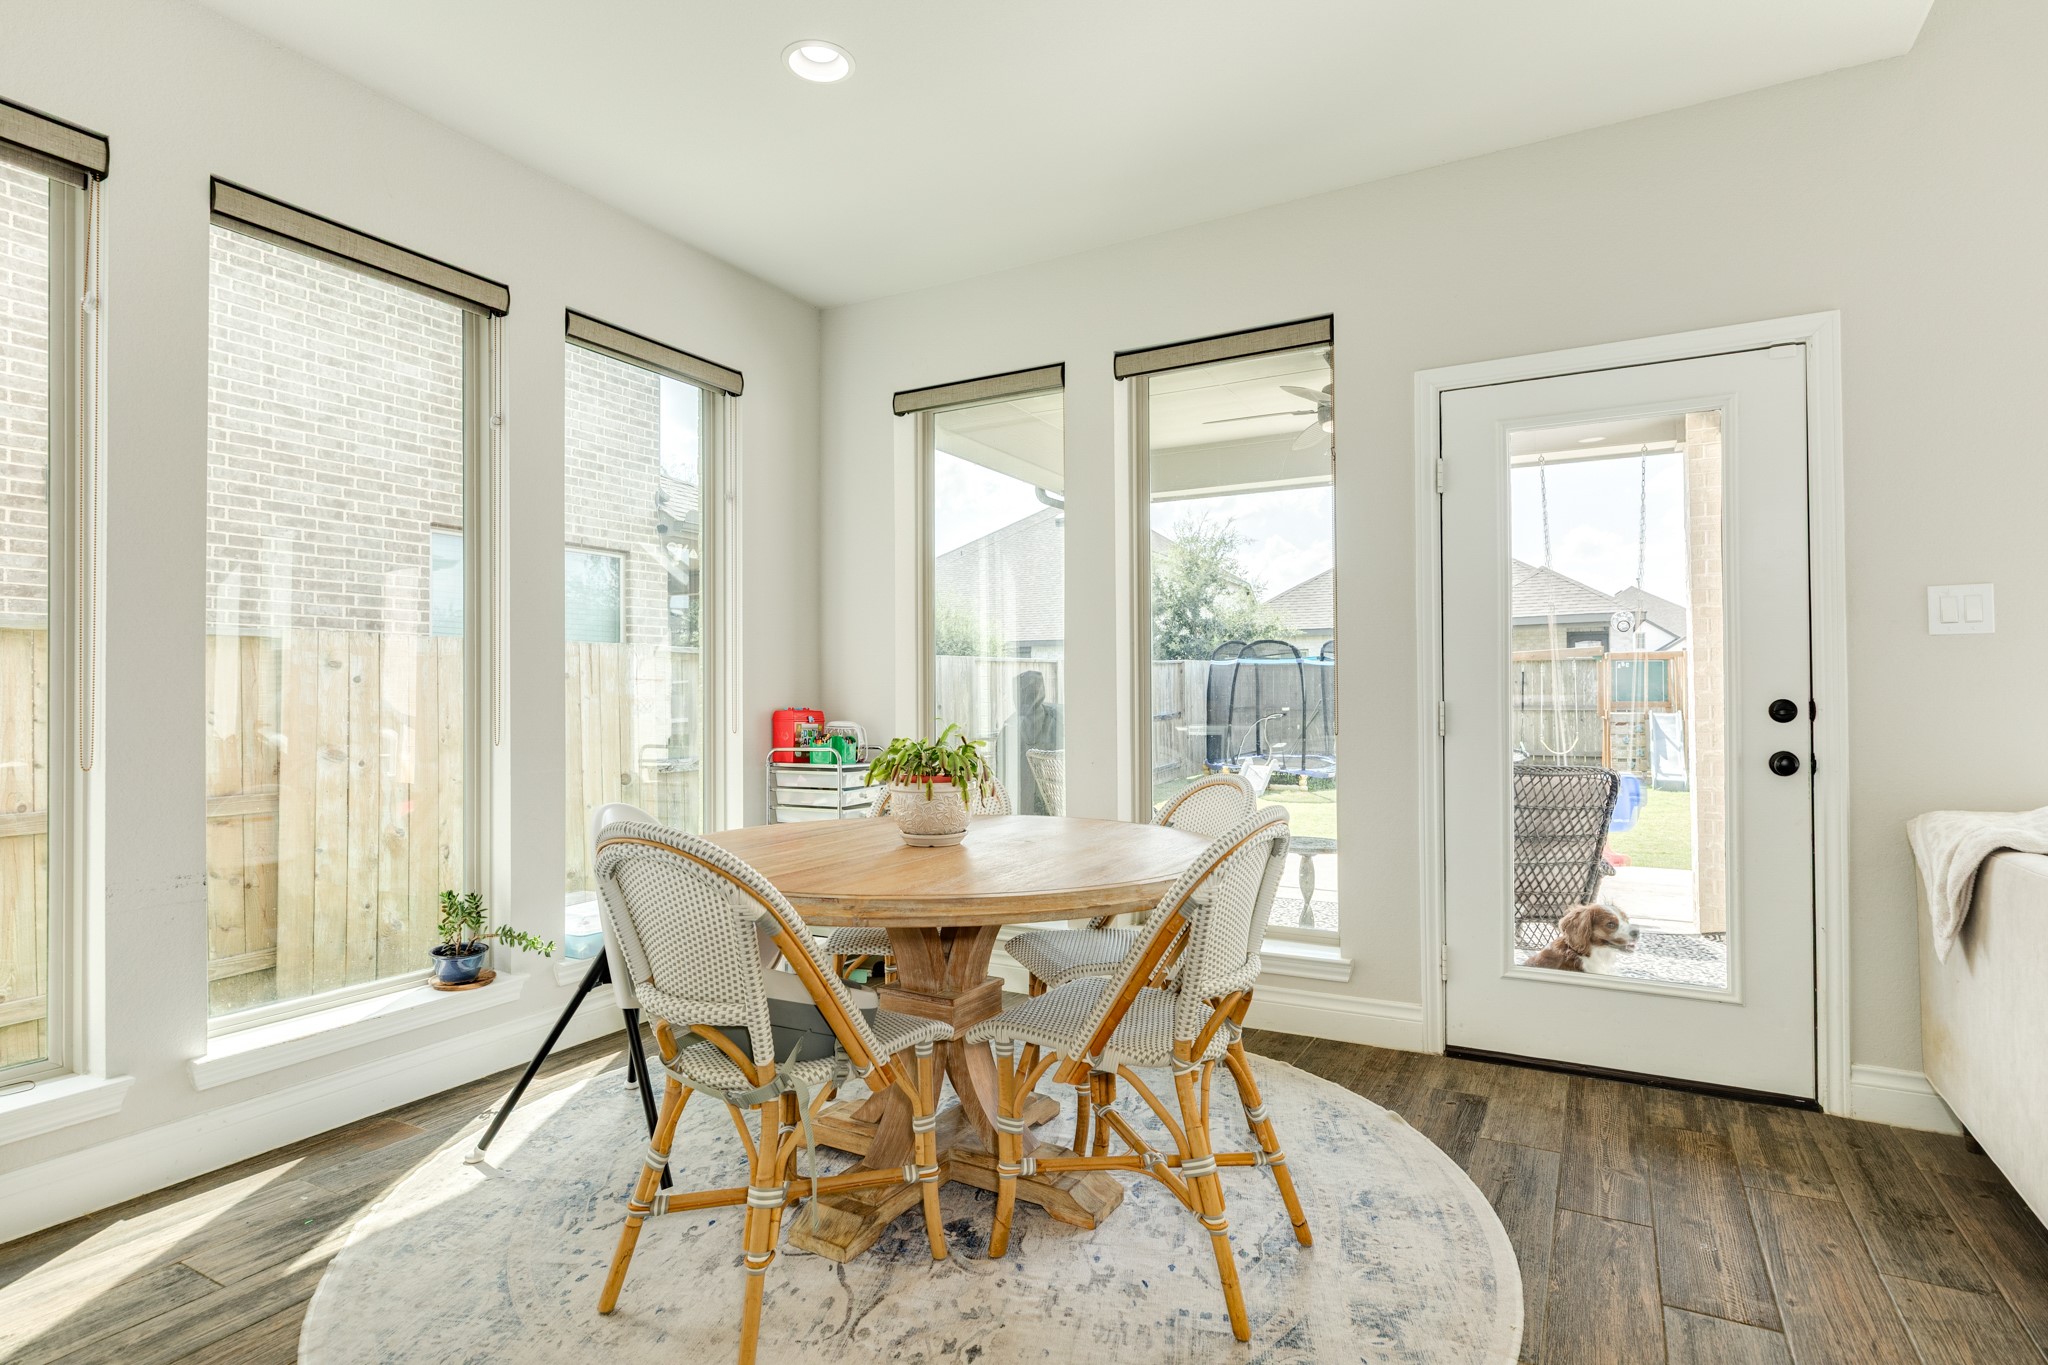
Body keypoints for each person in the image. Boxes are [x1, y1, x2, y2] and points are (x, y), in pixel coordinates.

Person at [994, 670, 1062, 815]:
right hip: (1020, 814)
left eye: (1031, 692)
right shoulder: (1009, 732)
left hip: (1049, 812)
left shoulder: (1056, 724)